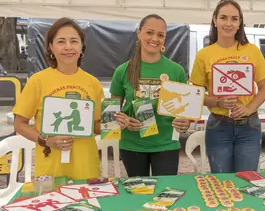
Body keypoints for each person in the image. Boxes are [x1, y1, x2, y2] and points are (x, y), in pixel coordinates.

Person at [13, 17, 104, 180]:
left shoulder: (93, 83)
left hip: (86, 168)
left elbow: (97, 126)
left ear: (82, 46)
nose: (68, 47)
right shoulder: (37, 81)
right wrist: (47, 141)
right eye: (61, 41)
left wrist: (116, 124)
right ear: (51, 47)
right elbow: (20, 124)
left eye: (74, 41)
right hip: (50, 169)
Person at [190, 0, 265, 173]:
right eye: (223, 17)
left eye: (234, 19)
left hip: (249, 126)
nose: (229, 23)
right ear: (214, 20)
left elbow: (264, 88)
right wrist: (217, 102)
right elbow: (195, 94)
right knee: (221, 182)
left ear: (240, 22)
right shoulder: (204, 55)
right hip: (219, 126)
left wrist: (249, 108)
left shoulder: (251, 51)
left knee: (246, 179)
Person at [110, 14, 190, 177]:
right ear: (139, 33)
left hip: (166, 144)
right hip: (132, 145)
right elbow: (110, 115)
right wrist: (124, 122)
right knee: (138, 194)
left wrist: (185, 123)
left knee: (166, 194)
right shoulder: (122, 71)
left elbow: (184, 113)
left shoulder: (176, 71)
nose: (155, 38)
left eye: (160, 35)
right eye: (149, 32)